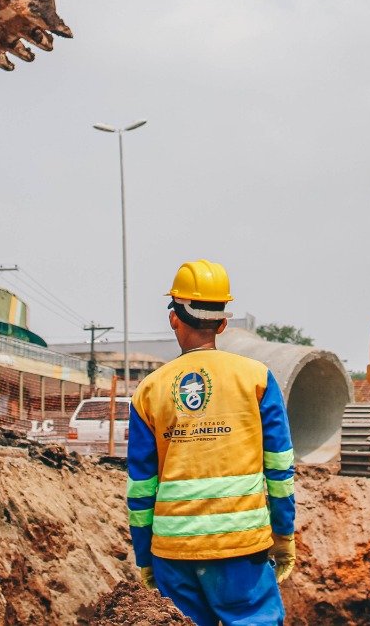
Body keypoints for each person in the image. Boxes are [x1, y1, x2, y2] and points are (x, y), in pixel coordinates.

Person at [126, 260, 296, 626]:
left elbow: (141, 488)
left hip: (174, 552)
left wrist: (145, 557)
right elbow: (280, 469)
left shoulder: (149, 391)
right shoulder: (257, 379)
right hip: (242, 549)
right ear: (222, 323)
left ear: (174, 318)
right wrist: (283, 534)